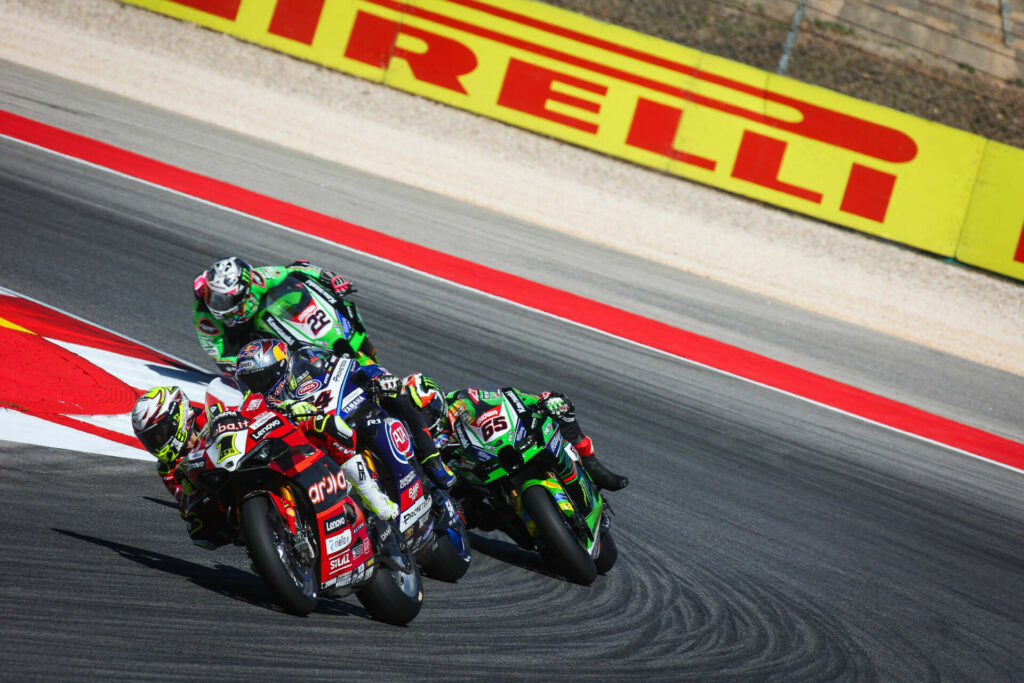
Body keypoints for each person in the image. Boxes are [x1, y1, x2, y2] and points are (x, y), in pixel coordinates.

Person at [233, 340, 457, 519]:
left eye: (259, 379)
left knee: (394, 399)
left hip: (349, 415)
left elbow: (350, 367)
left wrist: (378, 378)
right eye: (249, 382)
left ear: (279, 368)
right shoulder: (257, 404)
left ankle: (432, 460)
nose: (256, 387)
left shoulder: (307, 363)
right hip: (311, 446)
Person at [404, 373, 629, 492]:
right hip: (476, 482)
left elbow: (507, 399)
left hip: (503, 451)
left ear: (437, 399)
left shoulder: (462, 399)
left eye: (427, 412)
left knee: (558, 408)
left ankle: (592, 464)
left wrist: (540, 401)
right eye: (418, 419)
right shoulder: (418, 443)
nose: (426, 421)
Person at [192, 256, 355, 376]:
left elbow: (295, 269)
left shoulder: (258, 280)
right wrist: (256, 363)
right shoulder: (206, 319)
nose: (217, 304)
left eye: (224, 299)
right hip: (239, 347)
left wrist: (328, 276)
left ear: (244, 291)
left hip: (263, 325)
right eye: (212, 295)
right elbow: (221, 359)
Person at [130, 385, 231, 550]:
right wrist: (188, 486)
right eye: (151, 440)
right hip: (219, 495)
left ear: (177, 417)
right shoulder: (166, 467)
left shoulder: (211, 415)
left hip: (242, 463)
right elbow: (186, 508)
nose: (157, 442)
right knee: (199, 528)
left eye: (160, 433)